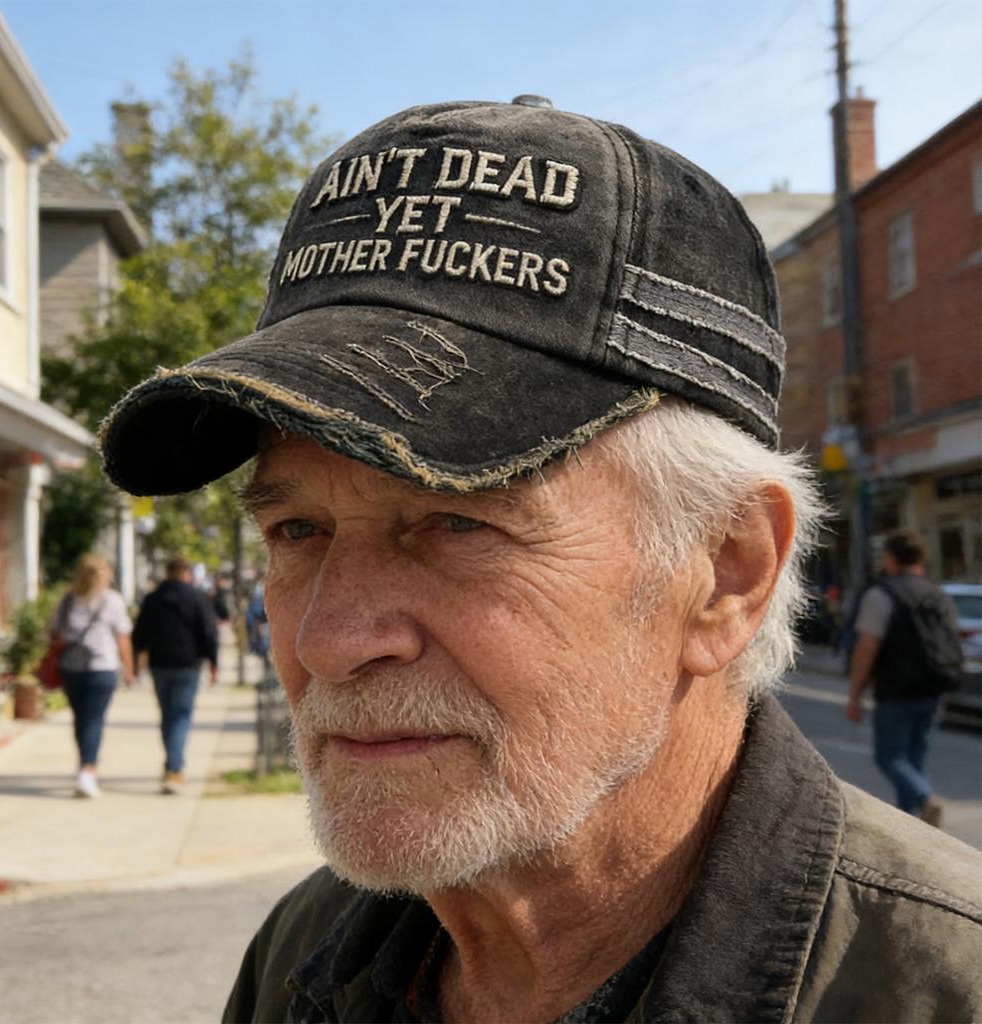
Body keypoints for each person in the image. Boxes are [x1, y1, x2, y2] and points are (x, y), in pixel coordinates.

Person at [99, 100, 981, 1022]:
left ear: (727, 573)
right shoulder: (303, 953)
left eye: (456, 524)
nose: (328, 641)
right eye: (298, 532)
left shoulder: (943, 986)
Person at [846, 529, 961, 825]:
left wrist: (855, 693)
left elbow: (867, 647)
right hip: (932, 688)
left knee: (889, 756)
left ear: (890, 558)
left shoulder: (882, 594)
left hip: (895, 689)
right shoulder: (937, 594)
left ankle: (924, 798)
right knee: (914, 757)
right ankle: (912, 823)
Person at [131, 556, 219, 794]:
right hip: (188, 664)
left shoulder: (152, 598)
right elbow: (208, 633)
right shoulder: (197, 597)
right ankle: (174, 769)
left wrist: (135, 662)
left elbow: (139, 633)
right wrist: (213, 662)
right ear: (187, 573)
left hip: (159, 664)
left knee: (168, 715)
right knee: (181, 716)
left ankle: (171, 764)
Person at [49, 553, 134, 798]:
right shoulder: (112, 601)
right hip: (102, 667)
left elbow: (53, 631)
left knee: (82, 719)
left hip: (71, 667)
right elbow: (122, 636)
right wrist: (129, 667)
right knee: (94, 719)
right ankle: (88, 770)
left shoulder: (68, 600)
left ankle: (85, 766)